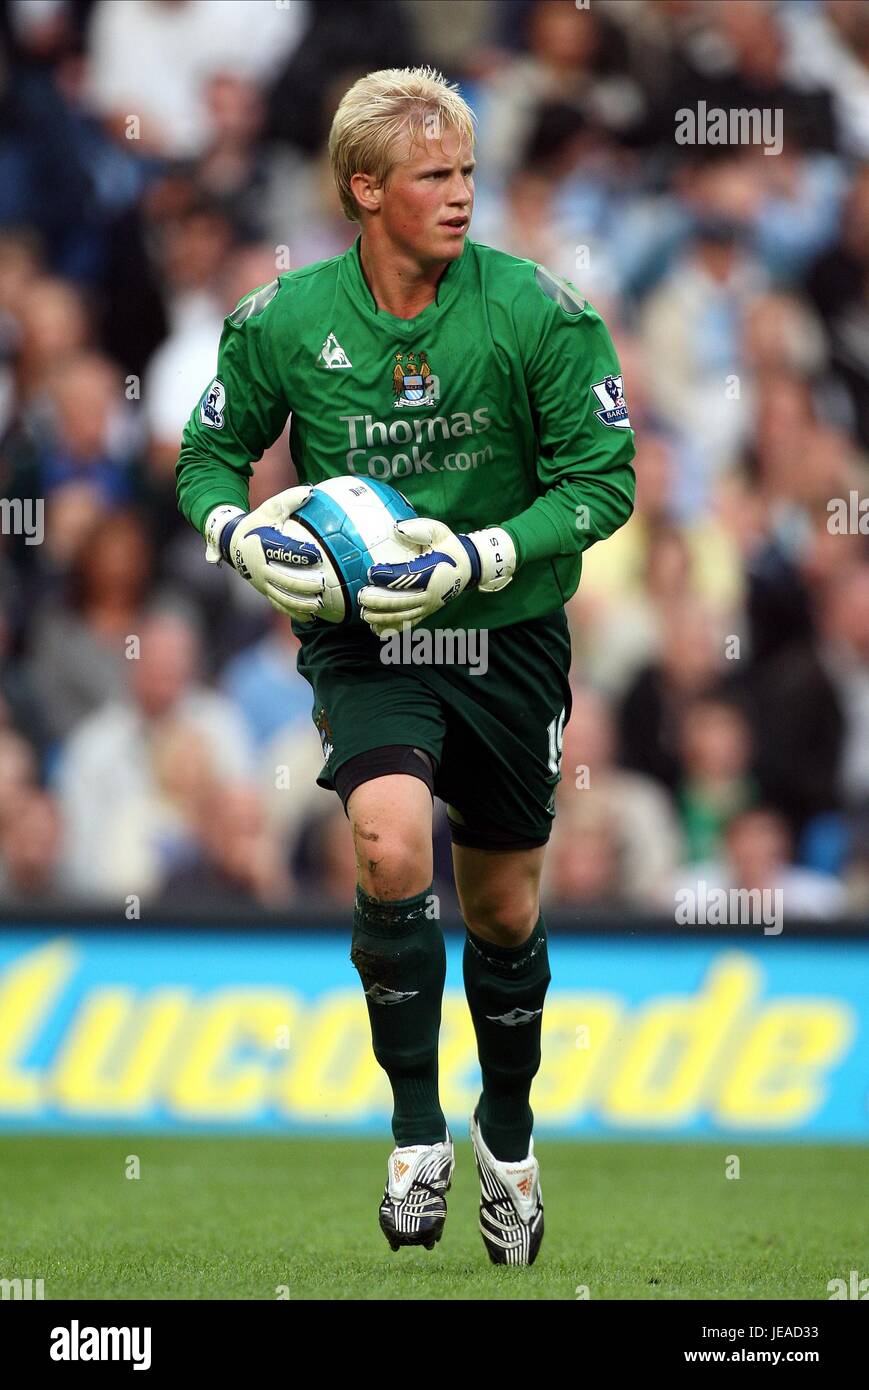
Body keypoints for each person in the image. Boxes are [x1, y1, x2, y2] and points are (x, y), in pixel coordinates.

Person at [176, 66, 635, 1266]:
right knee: (386, 840)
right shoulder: (284, 320)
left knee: (502, 907)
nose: (461, 196)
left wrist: (479, 553)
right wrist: (237, 534)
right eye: (434, 177)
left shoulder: (538, 312)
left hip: (505, 632)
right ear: (362, 189)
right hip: (368, 639)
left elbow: (604, 483)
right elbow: (205, 457)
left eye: (470, 173)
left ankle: (510, 1139)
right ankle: (415, 1131)